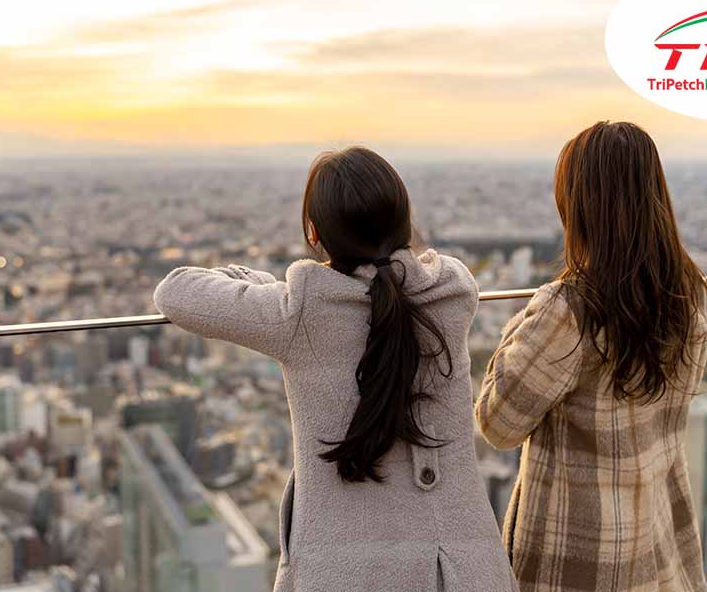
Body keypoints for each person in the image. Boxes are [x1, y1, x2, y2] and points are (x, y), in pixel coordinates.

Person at [154, 147, 516, 592]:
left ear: (315, 232)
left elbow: (175, 291)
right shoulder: (452, 293)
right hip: (460, 570)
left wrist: (263, 285)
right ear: (404, 221)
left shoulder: (300, 313)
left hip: (345, 574)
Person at [476, 121, 707, 592]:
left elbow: (496, 422)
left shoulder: (569, 310)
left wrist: (525, 319)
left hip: (577, 562)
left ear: (582, 207)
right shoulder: (686, 302)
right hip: (656, 549)